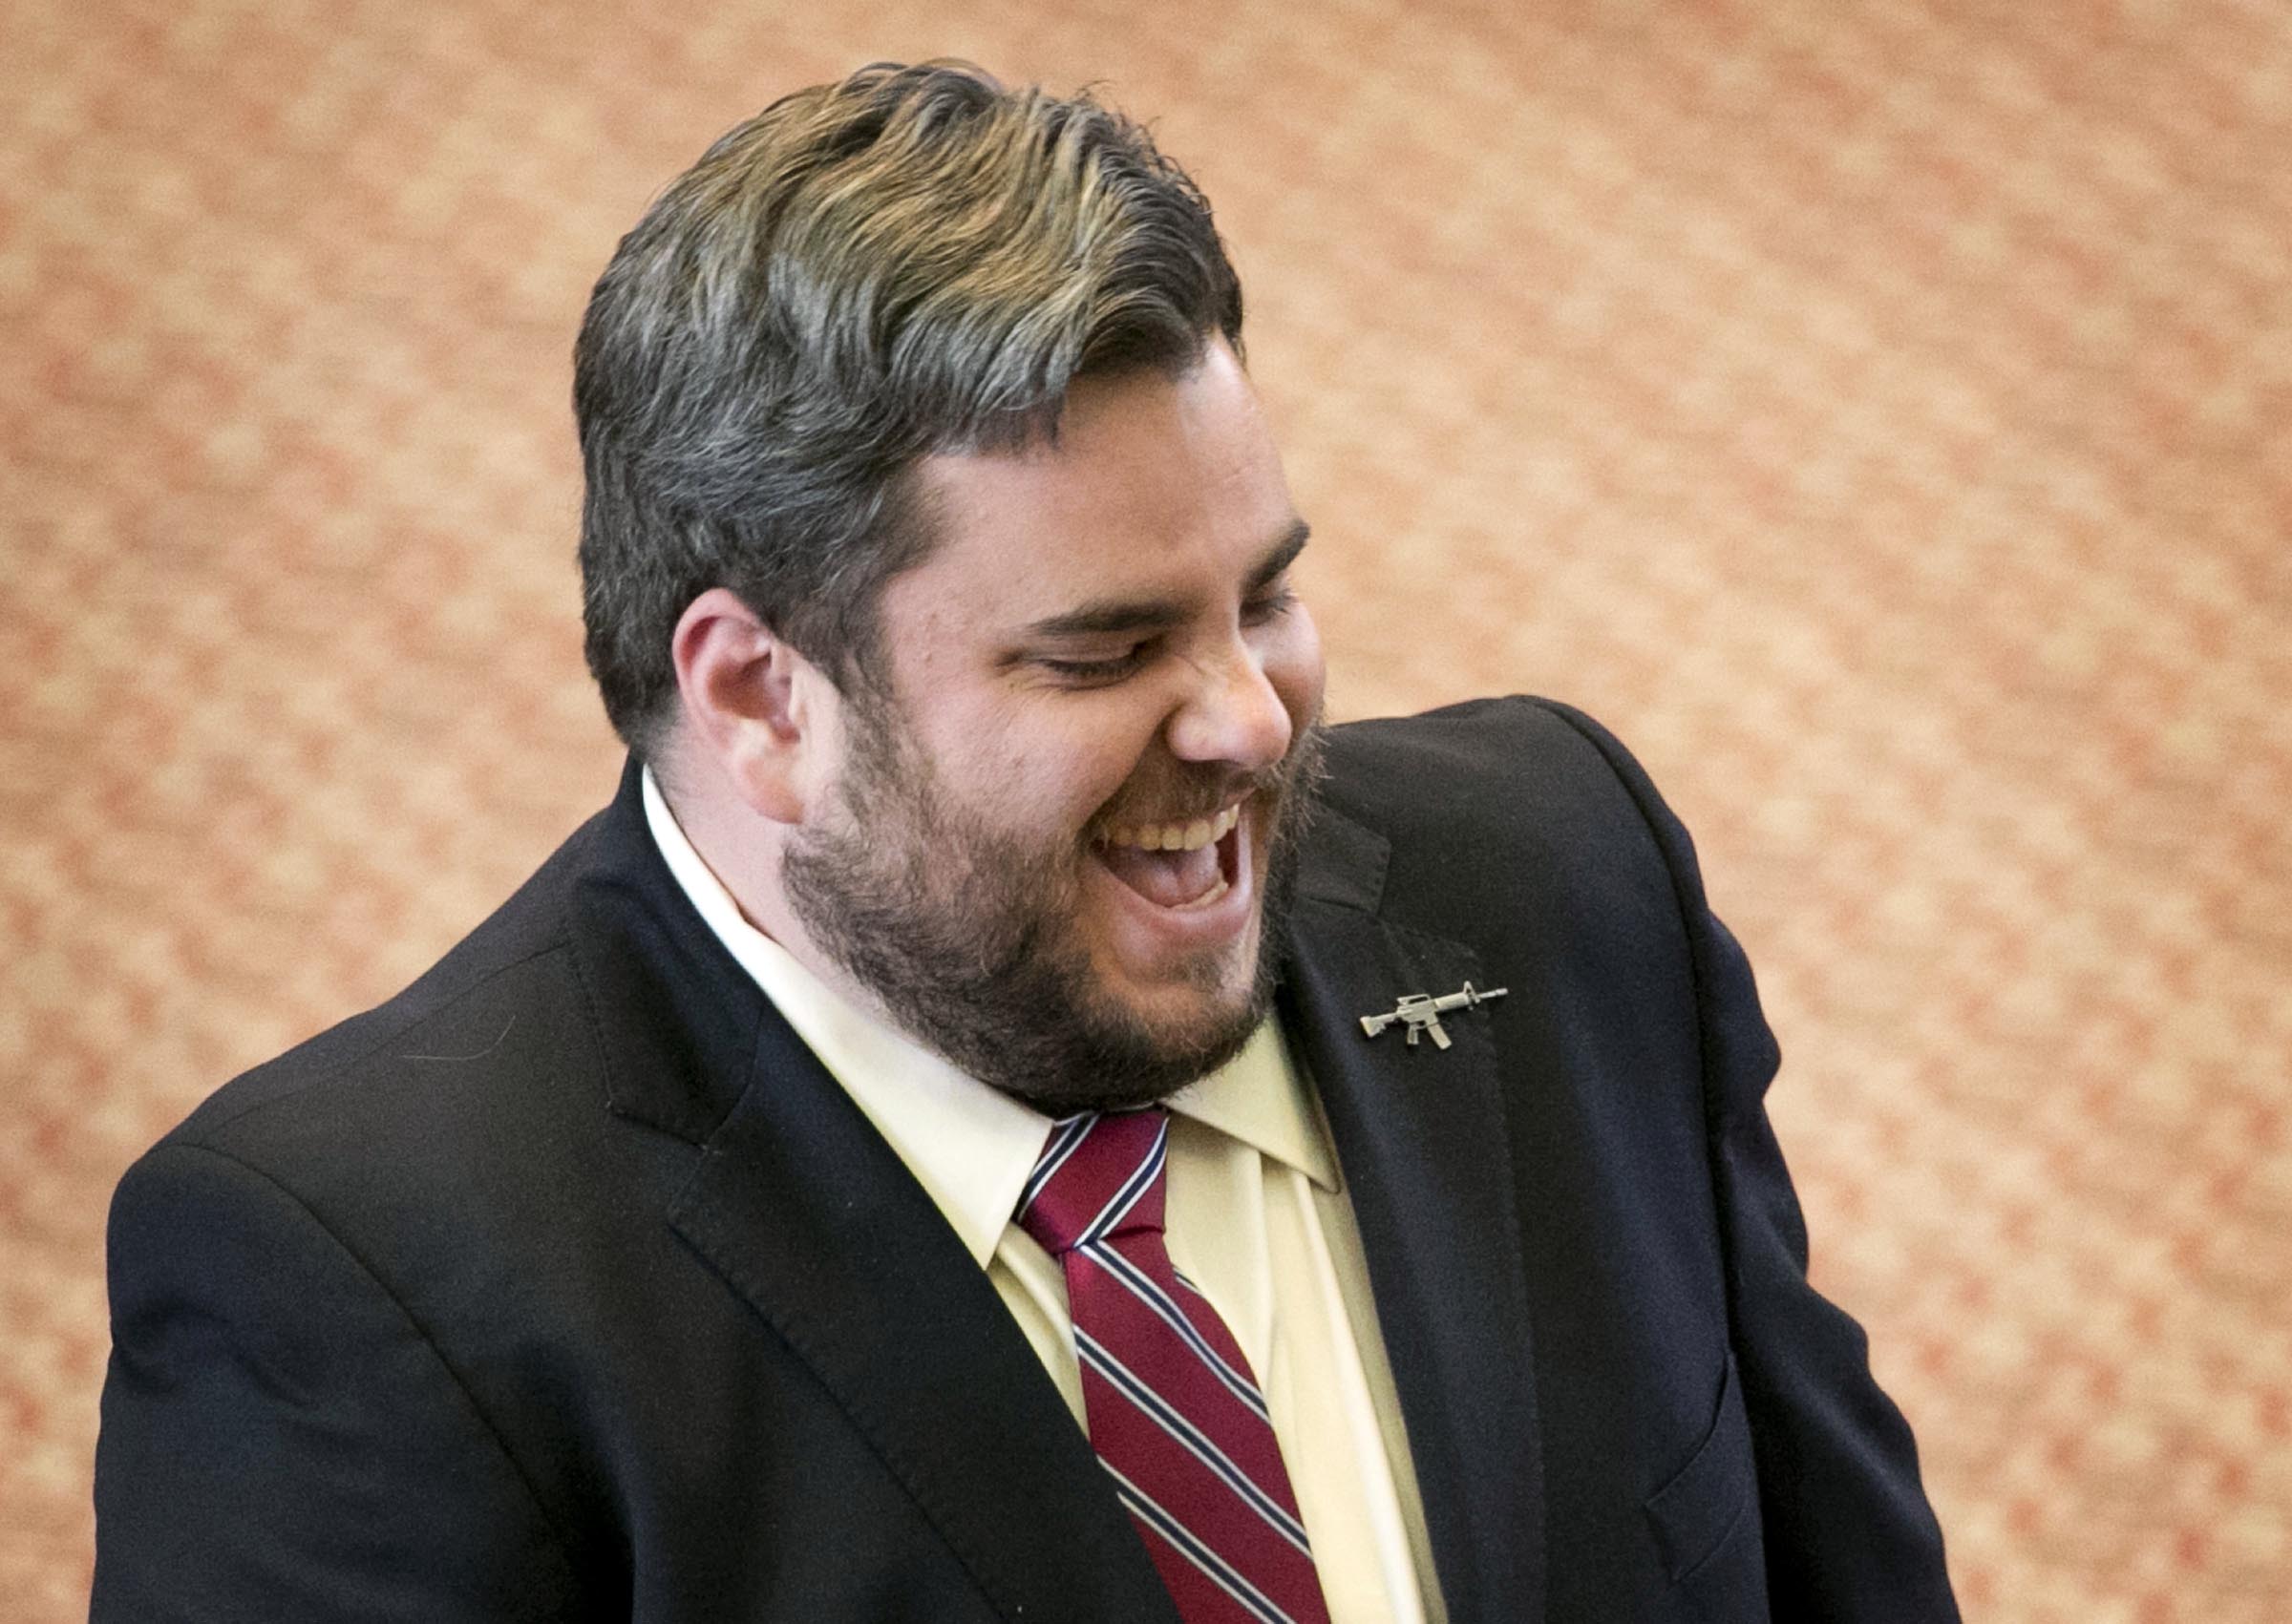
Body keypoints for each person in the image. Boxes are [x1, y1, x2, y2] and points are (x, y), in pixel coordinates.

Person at [91, 61, 1961, 1624]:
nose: (1250, 717)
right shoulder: (359, 1297)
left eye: (1266, 597)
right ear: (759, 695)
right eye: (1106, 647)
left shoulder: (1555, 876)